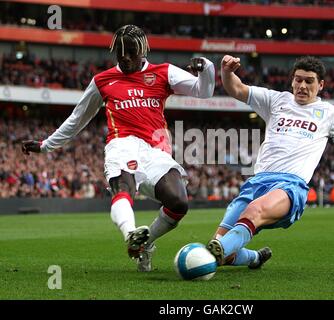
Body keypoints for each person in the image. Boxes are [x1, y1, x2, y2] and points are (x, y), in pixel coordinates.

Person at [21, 25, 215, 272]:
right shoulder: (102, 80)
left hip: (156, 150)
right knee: (124, 187)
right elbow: (77, 119)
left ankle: (144, 245)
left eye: (131, 52)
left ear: (143, 51)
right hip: (121, 144)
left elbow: (204, 91)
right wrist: (46, 145)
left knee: (179, 202)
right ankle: (130, 234)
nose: (124, 57)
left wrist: (207, 68)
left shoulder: (163, 72)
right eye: (119, 52)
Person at [207, 55, 334, 268]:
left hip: (290, 186)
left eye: (309, 81)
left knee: (254, 211)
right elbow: (236, 89)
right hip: (256, 182)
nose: (302, 86)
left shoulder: (330, 115)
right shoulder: (276, 99)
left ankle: (210, 255)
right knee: (227, 250)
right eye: (298, 80)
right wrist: (227, 72)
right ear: (292, 80)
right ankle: (254, 257)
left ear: (320, 85)